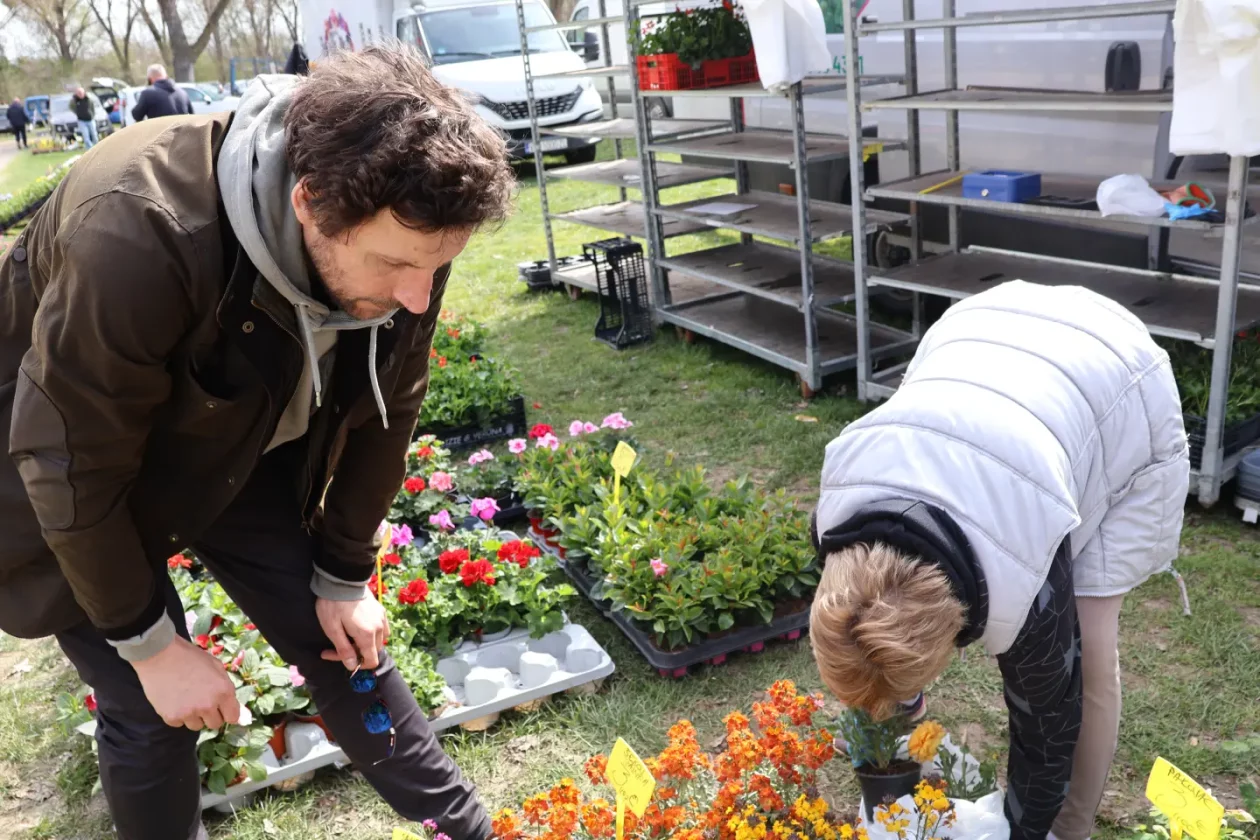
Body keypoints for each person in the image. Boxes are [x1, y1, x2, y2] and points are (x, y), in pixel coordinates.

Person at [0, 45, 514, 840]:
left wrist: (344, 571)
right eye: (397, 268)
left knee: (340, 639)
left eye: (437, 267)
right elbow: (72, 456)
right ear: (311, 203)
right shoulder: (139, 226)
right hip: (69, 454)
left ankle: (469, 832)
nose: (418, 296)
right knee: (148, 707)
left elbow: (389, 406)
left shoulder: (414, 221)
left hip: (227, 429)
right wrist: (150, 645)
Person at [809, 280, 1190, 840]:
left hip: (1120, 379)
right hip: (980, 340)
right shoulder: (841, 499)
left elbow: (1046, 726)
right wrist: (889, 696)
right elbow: (862, 618)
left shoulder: (1020, 584)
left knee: (1089, 651)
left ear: (957, 624)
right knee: (880, 659)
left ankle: (1072, 827)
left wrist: (1026, 831)